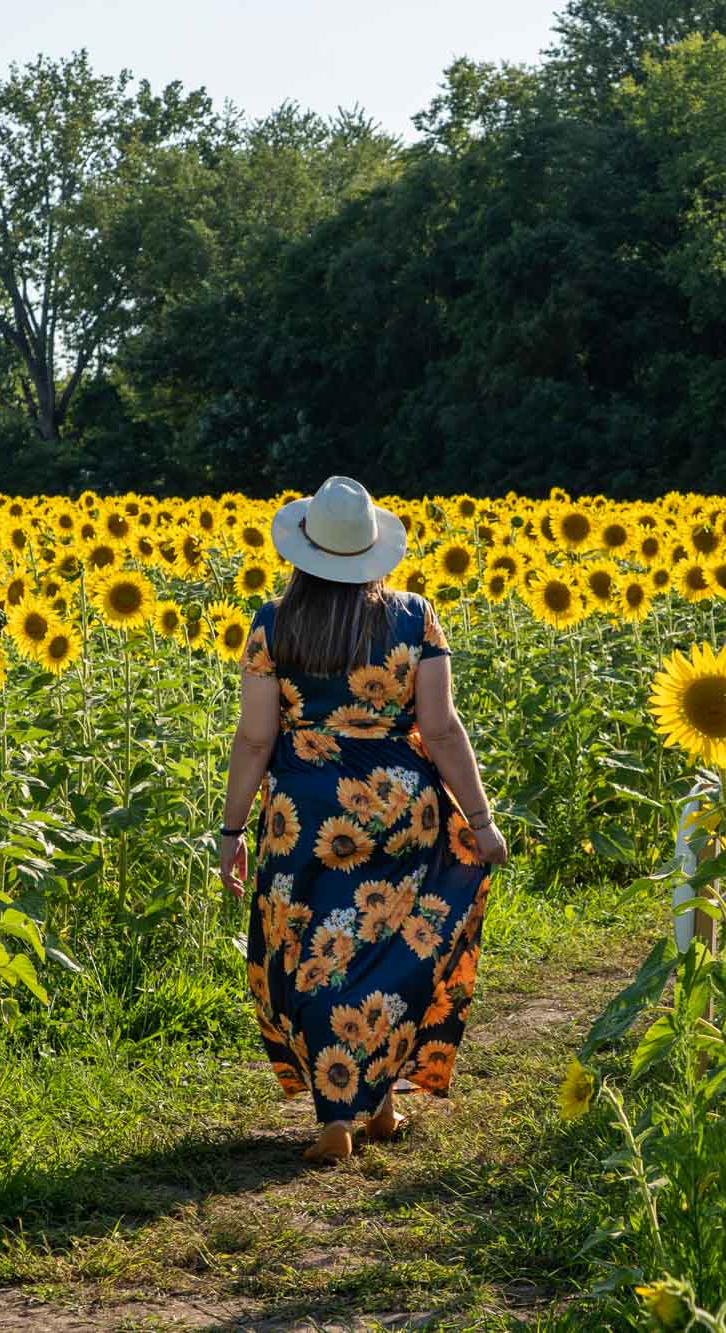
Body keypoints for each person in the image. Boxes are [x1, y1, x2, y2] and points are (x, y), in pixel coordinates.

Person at [217, 476, 509, 1163]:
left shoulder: (273, 622)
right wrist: (481, 818)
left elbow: (255, 738)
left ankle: (340, 1118)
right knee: (389, 944)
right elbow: (440, 729)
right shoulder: (414, 616)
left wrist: (231, 831)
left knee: (312, 951)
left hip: (304, 810)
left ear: (305, 550)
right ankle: (378, 1104)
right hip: (398, 804)